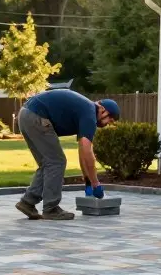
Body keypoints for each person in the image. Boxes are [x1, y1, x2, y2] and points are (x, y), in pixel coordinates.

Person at [15, 89, 120, 220]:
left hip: (26, 115)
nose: (109, 123)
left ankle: (28, 202)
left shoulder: (85, 109)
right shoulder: (89, 114)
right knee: (56, 162)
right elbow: (88, 152)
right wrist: (95, 183)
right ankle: (51, 209)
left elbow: (82, 151)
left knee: (47, 163)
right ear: (103, 110)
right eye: (110, 118)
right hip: (37, 116)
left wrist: (87, 181)